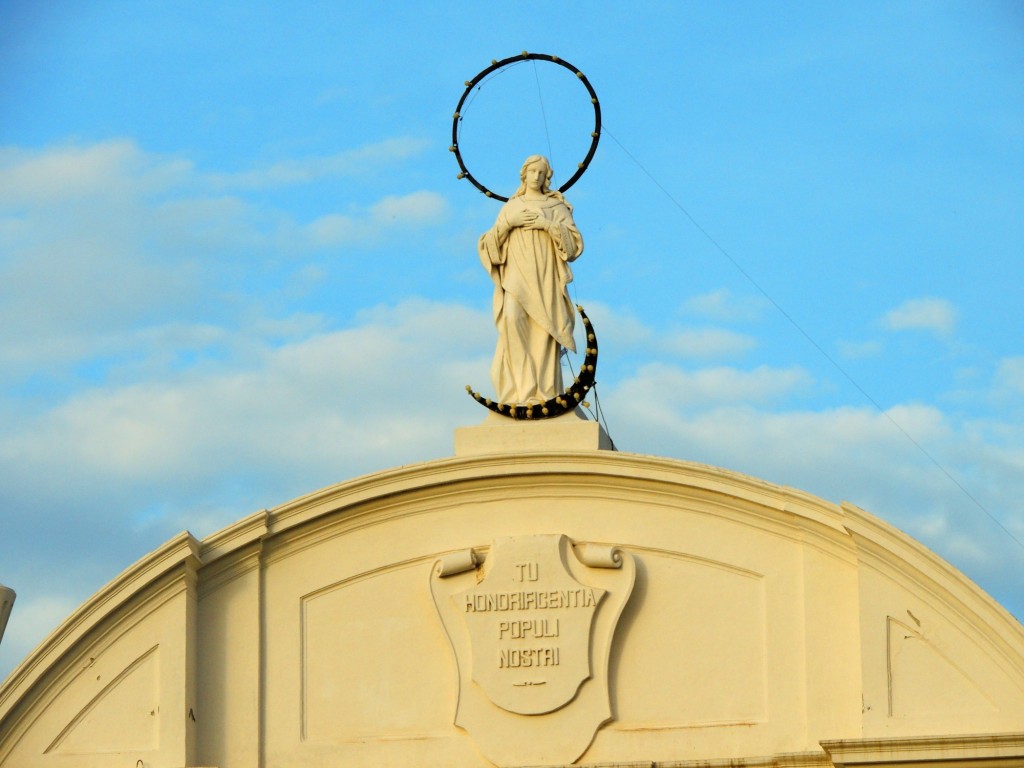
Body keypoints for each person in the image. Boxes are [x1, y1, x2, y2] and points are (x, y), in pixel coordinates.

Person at [478, 155, 584, 405]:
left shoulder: (555, 207)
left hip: (545, 276)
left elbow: (574, 246)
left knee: (544, 331)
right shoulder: (511, 207)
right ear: (523, 174)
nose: (536, 177)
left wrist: (548, 225)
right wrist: (508, 225)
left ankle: (545, 393)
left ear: (547, 176)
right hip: (516, 276)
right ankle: (521, 391)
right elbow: (487, 245)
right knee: (511, 320)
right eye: (532, 172)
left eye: (541, 173)